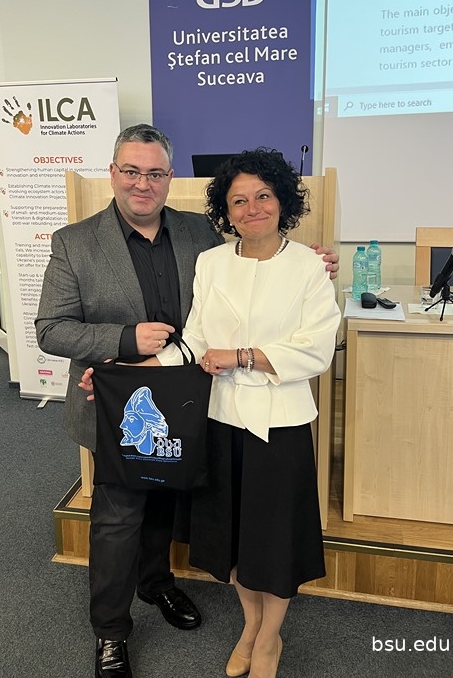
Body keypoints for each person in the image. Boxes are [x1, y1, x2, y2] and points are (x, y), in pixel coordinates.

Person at [36, 126, 339, 678]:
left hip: (191, 409)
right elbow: (51, 329)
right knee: (117, 519)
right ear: (113, 173)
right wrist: (125, 353)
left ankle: (159, 586)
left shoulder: (199, 233)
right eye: (132, 171)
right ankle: (111, 632)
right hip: (126, 405)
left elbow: (266, 265)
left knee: (168, 508)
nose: (143, 183)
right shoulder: (74, 242)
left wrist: (315, 262)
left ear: (170, 178)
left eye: (155, 173)